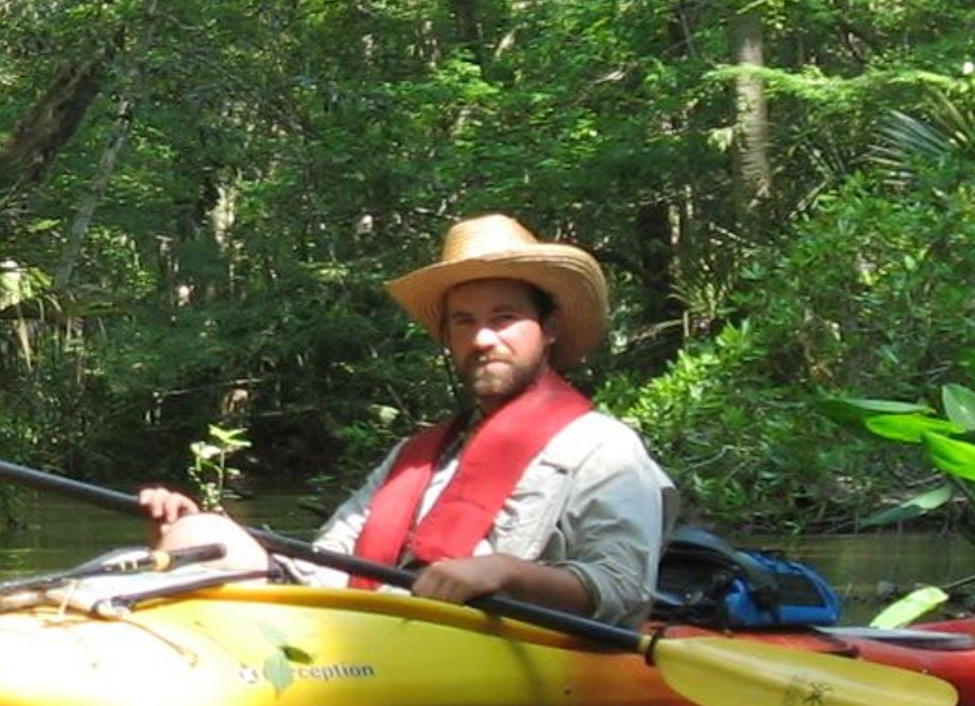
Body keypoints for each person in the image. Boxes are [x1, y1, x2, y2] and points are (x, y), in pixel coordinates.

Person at [139, 213, 670, 624]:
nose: (483, 339)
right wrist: (205, 534)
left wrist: (504, 573)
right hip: (372, 635)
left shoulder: (605, 450)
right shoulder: (417, 456)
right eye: (465, 322)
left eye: (504, 318)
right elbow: (324, 567)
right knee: (203, 530)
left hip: (485, 640)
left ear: (548, 328)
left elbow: (622, 590)